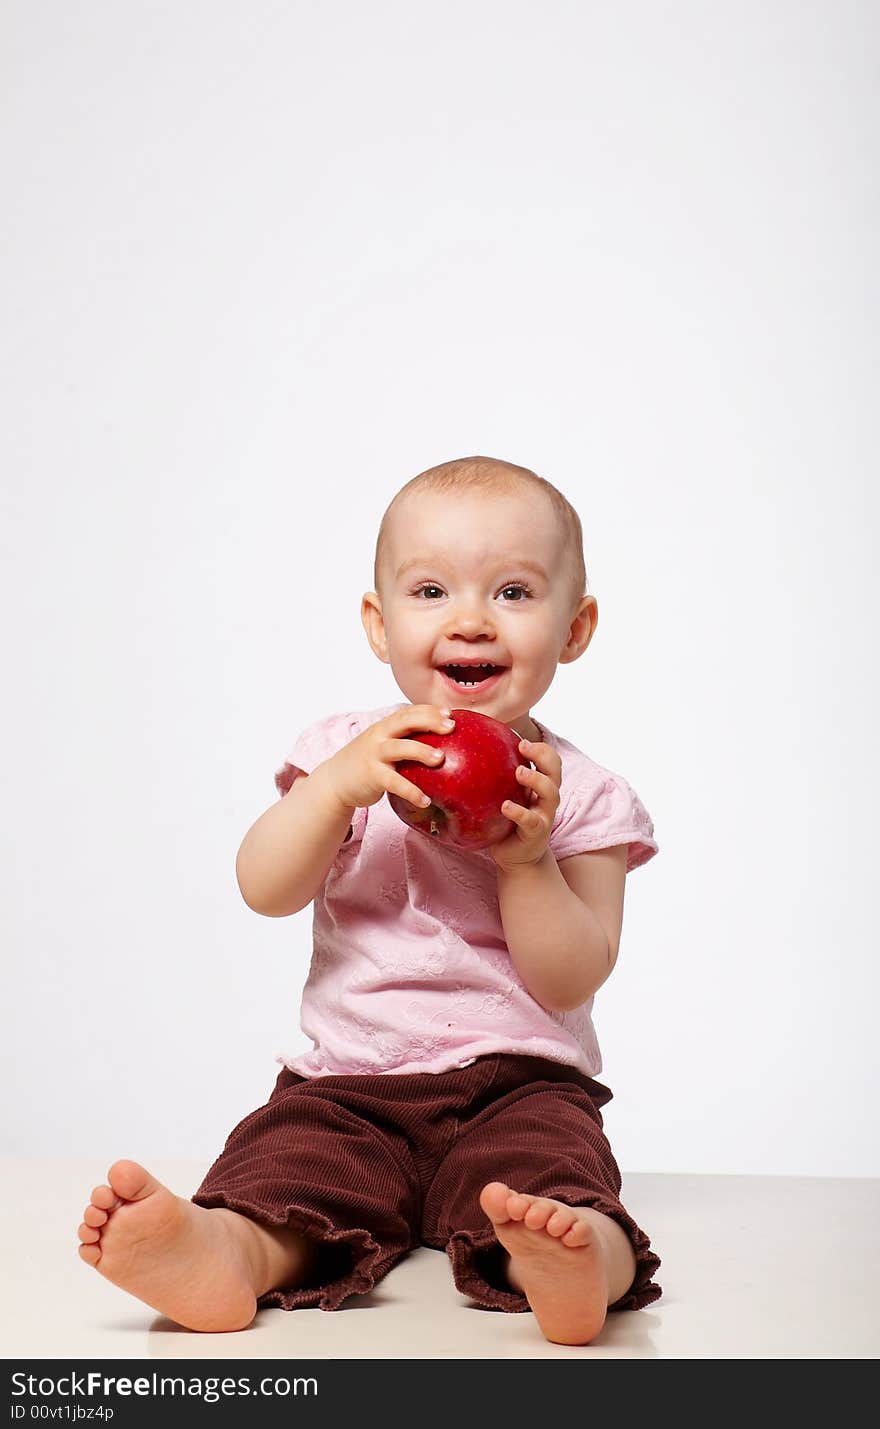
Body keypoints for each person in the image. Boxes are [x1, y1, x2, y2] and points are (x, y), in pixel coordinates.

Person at [77, 455, 662, 1346]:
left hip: (519, 1084)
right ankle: (228, 1250)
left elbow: (573, 976)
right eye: (430, 590)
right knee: (290, 1165)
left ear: (574, 627)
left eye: (512, 591)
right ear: (377, 623)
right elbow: (263, 888)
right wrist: (333, 791)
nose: (470, 618)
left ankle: (581, 1261)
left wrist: (527, 862)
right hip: (349, 1083)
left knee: (553, 1179)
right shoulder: (343, 757)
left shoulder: (576, 794)